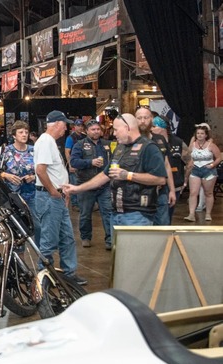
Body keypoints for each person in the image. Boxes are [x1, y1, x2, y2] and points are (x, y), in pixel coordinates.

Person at [64, 113, 167, 227]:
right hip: (116, 214)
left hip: (137, 215)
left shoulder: (149, 148)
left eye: (116, 130)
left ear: (127, 128)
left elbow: (160, 179)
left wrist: (128, 175)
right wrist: (77, 188)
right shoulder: (120, 148)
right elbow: (105, 175)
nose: (114, 133)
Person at [34, 111, 86, 286]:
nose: (66, 127)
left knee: (67, 237)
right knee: (49, 240)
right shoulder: (46, 141)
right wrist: (53, 192)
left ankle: (69, 273)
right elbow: (40, 170)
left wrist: (62, 191)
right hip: (50, 197)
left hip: (57, 197)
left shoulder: (50, 142)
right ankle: (44, 277)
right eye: (64, 124)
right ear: (56, 124)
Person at [70, 120, 112, 250]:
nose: (96, 131)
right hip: (86, 184)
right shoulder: (79, 145)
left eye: (98, 129)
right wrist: (90, 162)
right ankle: (86, 237)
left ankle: (110, 240)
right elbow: (74, 162)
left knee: (108, 213)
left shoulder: (108, 144)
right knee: (85, 214)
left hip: (105, 186)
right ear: (87, 131)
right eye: (93, 129)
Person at [135, 107, 175, 225]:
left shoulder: (160, 139)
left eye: (146, 117)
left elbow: (166, 165)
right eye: (139, 118)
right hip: (138, 193)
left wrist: (171, 190)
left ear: (151, 119)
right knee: (142, 229)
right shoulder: (131, 141)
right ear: (135, 120)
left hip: (161, 192)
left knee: (163, 226)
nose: (143, 121)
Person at [152, 116, 190, 222]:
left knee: (167, 216)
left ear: (163, 127)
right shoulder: (151, 142)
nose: (151, 128)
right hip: (157, 185)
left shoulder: (178, 142)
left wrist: (185, 181)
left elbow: (190, 162)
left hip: (176, 184)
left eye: (154, 126)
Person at [184, 123, 221, 222]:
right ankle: (191, 214)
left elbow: (219, 158)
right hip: (195, 169)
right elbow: (188, 156)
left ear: (206, 135)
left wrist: (212, 165)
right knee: (193, 192)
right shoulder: (193, 145)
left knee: (208, 193)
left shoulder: (211, 145)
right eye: (198, 133)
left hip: (208, 170)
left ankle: (208, 213)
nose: (199, 135)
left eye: (202, 133)